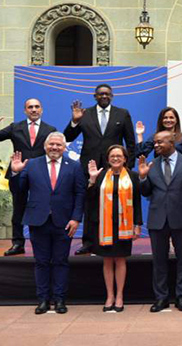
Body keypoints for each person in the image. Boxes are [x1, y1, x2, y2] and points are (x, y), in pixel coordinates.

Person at [9, 132, 85, 314]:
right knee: (41, 262)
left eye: (58, 145)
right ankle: (43, 300)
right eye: (51, 144)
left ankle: (59, 300)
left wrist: (76, 218)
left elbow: (80, 194)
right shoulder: (32, 164)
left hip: (64, 222)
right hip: (38, 221)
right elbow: (18, 190)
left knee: (60, 262)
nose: (54, 148)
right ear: (45, 146)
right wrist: (15, 172)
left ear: (64, 147)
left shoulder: (74, 166)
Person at [64, 84, 135, 255]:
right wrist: (75, 121)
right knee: (90, 204)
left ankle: (114, 239)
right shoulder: (84, 113)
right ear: (95, 96)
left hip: (115, 167)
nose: (104, 96)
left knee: (115, 203)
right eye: (101, 94)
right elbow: (67, 137)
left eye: (107, 94)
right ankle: (88, 243)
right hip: (90, 167)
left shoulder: (122, 113)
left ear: (112, 96)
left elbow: (130, 142)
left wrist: (128, 167)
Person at [0, 99, 57, 256]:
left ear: (42, 110)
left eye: (37, 106)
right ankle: (18, 244)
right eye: (30, 107)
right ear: (25, 110)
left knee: (40, 208)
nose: (33, 109)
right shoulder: (15, 127)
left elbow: (56, 151)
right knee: (18, 209)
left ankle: (40, 243)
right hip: (18, 173)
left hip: (41, 174)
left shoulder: (50, 130)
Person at [138, 131, 182, 313]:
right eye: (155, 143)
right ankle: (161, 298)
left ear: (171, 142)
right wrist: (142, 177)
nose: (155, 145)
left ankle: (181, 297)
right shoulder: (152, 164)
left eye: (159, 142)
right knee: (159, 261)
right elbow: (146, 192)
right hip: (157, 221)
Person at [86, 145, 142, 312]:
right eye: (112, 156)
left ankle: (120, 296)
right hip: (104, 225)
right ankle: (110, 295)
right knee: (107, 260)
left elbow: (138, 201)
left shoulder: (132, 175)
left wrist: (137, 224)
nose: (116, 158)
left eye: (119, 156)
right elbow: (89, 199)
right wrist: (92, 180)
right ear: (108, 158)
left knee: (120, 259)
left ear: (125, 158)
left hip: (124, 225)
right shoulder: (101, 175)